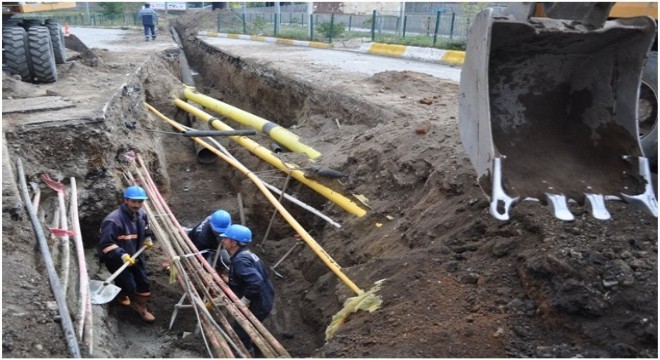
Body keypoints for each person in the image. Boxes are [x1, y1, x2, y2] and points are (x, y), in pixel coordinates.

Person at [98, 185, 156, 322]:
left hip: (135, 254)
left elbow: (146, 228)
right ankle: (123, 295)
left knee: (143, 283)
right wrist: (121, 255)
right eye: (134, 201)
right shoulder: (113, 221)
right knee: (127, 284)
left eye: (140, 201)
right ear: (126, 200)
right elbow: (106, 244)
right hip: (116, 258)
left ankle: (142, 307)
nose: (137, 205)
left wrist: (147, 238)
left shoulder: (141, 215)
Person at [220, 224, 274, 356]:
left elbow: (256, 282)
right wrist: (231, 281)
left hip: (259, 303)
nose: (222, 240)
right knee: (250, 329)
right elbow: (251, 277)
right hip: (265, 297)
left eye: (225, 238)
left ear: (233, 243)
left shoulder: (240, 260)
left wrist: (244, 299)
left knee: (241, 332)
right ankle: (256, 350)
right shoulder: (246, 254)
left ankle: (247, 354)